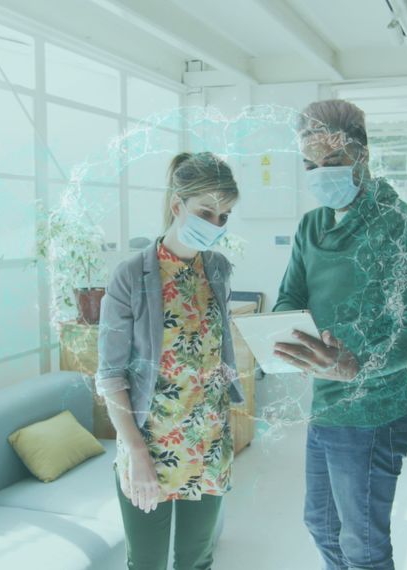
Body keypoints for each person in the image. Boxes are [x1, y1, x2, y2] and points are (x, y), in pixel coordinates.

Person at [272, 99, 407, 570]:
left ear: (362, 156)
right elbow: (288, 300)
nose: (321, 173)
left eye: (334, 162)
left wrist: (358, 365)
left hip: (376, 412)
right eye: (310, 164)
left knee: (363, 543)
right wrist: (286, 340)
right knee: (321, 525)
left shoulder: (401, 227)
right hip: (326, 403)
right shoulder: (312, 225)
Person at [96, 151, 246, 570]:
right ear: (178, 205)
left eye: (224, 216)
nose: (216, 225)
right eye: (207, 211)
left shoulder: (218, 268)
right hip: (151, 447)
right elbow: (110, 377)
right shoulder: (130, 275)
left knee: (197, 560)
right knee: (145, 564)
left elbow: (212, 349)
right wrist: (137, 455)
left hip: (209, 443)